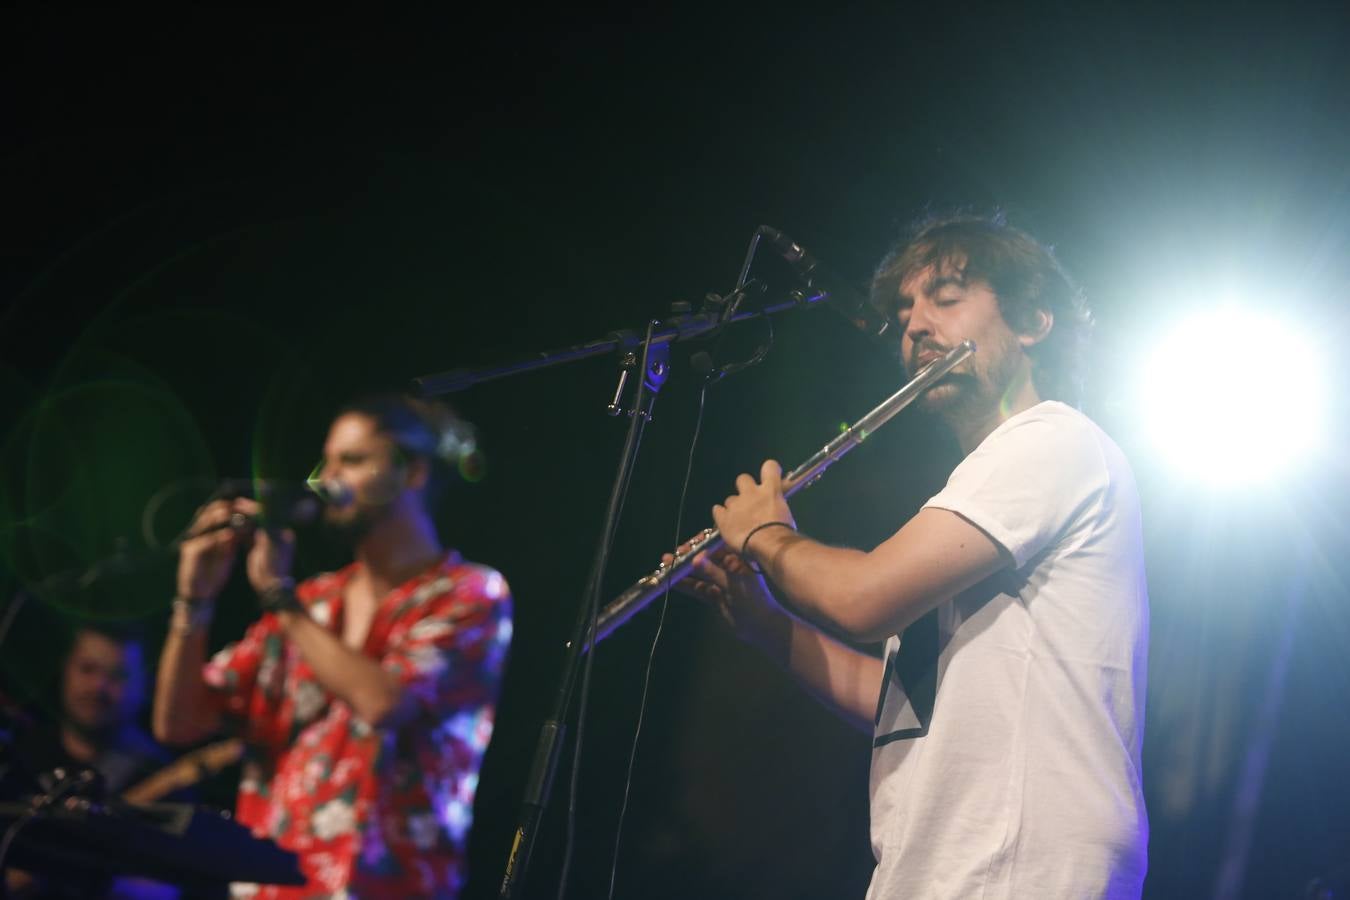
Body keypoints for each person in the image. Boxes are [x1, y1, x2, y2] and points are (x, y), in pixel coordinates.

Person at [679, 214, 1148, 898]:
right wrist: (768, 625)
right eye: (904, 312)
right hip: (949, 866)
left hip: (1021, 866)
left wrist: (766, 535)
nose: (916, 326)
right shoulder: (986, 485)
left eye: (947, 298)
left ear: (1032, 323)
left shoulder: (1053, 442)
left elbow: (863, 598)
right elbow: (906, 704)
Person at [152, 395, 512, 899]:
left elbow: (384, 702)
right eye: (328, 460)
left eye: (354, 460)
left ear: (412, 474)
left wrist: (277, 595)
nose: (327, 478)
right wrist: (195, 603)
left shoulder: (468, 593)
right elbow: (180, 723)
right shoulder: (312, 603)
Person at [8, 623, 181, 899]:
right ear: (65, 669)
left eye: (118, 675)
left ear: (146, 685)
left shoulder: (165, 776)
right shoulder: (19, 755)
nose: (99, 687)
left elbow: (169, 890)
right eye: (87, 669)